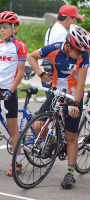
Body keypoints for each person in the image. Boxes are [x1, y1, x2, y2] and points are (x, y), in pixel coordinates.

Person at [27, 24, 90, 189]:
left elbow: (81, 84)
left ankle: (70, 173)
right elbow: (31, 57)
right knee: (37, 126)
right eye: (79, 51)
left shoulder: (83, 57)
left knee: (71, 135)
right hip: (56, 92)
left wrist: (76, 104)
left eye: (83, 52)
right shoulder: (54, 49)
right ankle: (55, 139)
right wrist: (41, 74)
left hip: (73, 95)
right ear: (69, 45)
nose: (81, 55)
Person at [0, 11, 27, 176]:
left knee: (13, 129)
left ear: (14, 28)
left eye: (4, 27)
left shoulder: (20, 46)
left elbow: (20, 73)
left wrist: (10, 90)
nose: (1, 30)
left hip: (9, 90)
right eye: (0, 27)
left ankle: (17, 163)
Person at [41, 5, 84, 97]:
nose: (75, 21)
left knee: (50, 107)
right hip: (56, 76)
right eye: (75, 18)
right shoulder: (63, 34)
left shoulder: (51, 29)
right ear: (68, 19)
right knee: (61, 108)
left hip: (46, 70)